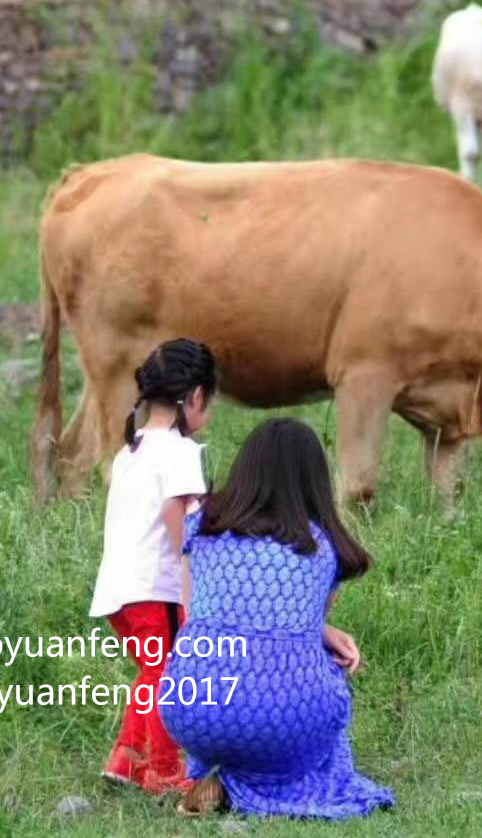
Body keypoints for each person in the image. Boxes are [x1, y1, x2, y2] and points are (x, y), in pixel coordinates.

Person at [161, 417, 394, 819]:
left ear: (246, 469)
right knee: (323, 678)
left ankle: (214, 776)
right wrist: (325, 632)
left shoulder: (202, 527)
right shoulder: (324, 546)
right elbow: (295, 629)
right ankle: (257, 782)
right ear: (314, 481)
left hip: (189, 708)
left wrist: (323, 632)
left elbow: (195, 616)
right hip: (280, 720)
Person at [87, 338, 218, 796]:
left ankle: (126, 759)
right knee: (168, 678)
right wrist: (196, 568)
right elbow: (173, 514)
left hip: (117, 591)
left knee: (152, 673)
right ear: (197, 397)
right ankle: (163, 771)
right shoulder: (181, 452)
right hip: (155, 586)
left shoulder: (131, 450)